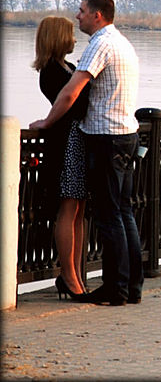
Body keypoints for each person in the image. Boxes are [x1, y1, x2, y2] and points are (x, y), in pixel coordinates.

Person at [30, 0, 142, 306]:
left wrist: (49, 121)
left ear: (97, 14)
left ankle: (117, 287)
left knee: (111, 216)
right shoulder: (119, 42)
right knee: (119, 213)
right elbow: (69, 97)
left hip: (106, 137)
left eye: (81, 11)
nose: (77, 17)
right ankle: (126, 285)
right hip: (117, 134)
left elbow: (71, 96)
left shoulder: (100, 45)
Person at [32, 16, 91, 298]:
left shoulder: (67, 66)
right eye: (69, 34)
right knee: (68, 208)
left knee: (78, 209)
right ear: (57, 37)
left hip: (77, 139)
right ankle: (68, 276)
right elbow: (71, 101)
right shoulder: (52, 71)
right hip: (66, 141)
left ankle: (76, 274)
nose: (75, 39)